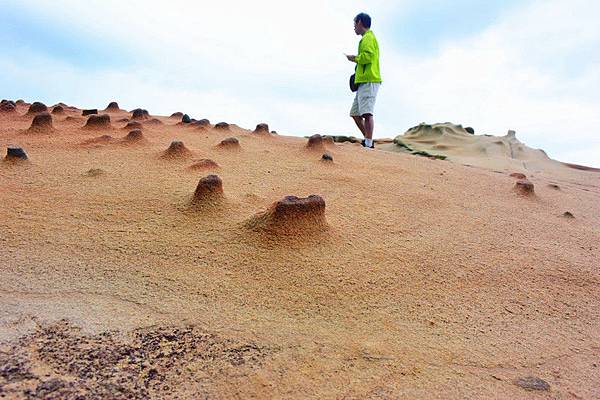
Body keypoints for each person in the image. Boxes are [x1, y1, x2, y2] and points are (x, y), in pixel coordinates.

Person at [346, 12, 382, 149]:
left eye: (355, 24)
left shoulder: (368, 38)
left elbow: (368, 57)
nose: (354, 27)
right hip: (363, 81)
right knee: (355, 113)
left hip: (370, 79)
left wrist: (355, 58)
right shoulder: (367, 38)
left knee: (367, 113)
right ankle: (369, 140)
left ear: (360, 22)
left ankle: (368, 144)